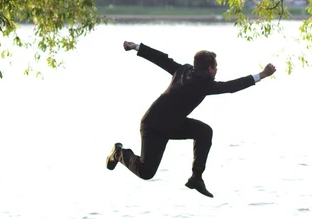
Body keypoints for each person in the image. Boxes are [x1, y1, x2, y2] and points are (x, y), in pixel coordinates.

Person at [106, 40, 277, 198]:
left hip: (173, 124)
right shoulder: (204, 85)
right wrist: (261, 75)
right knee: (146, 172)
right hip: (153, 126)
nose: (217, 70)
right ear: (209, 69)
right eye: (215, 67)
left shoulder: (184, 70)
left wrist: (137, 47)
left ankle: (196, 177)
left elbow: (161, 59)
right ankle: (118, 153)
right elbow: (231, 86)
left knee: (204, 132)